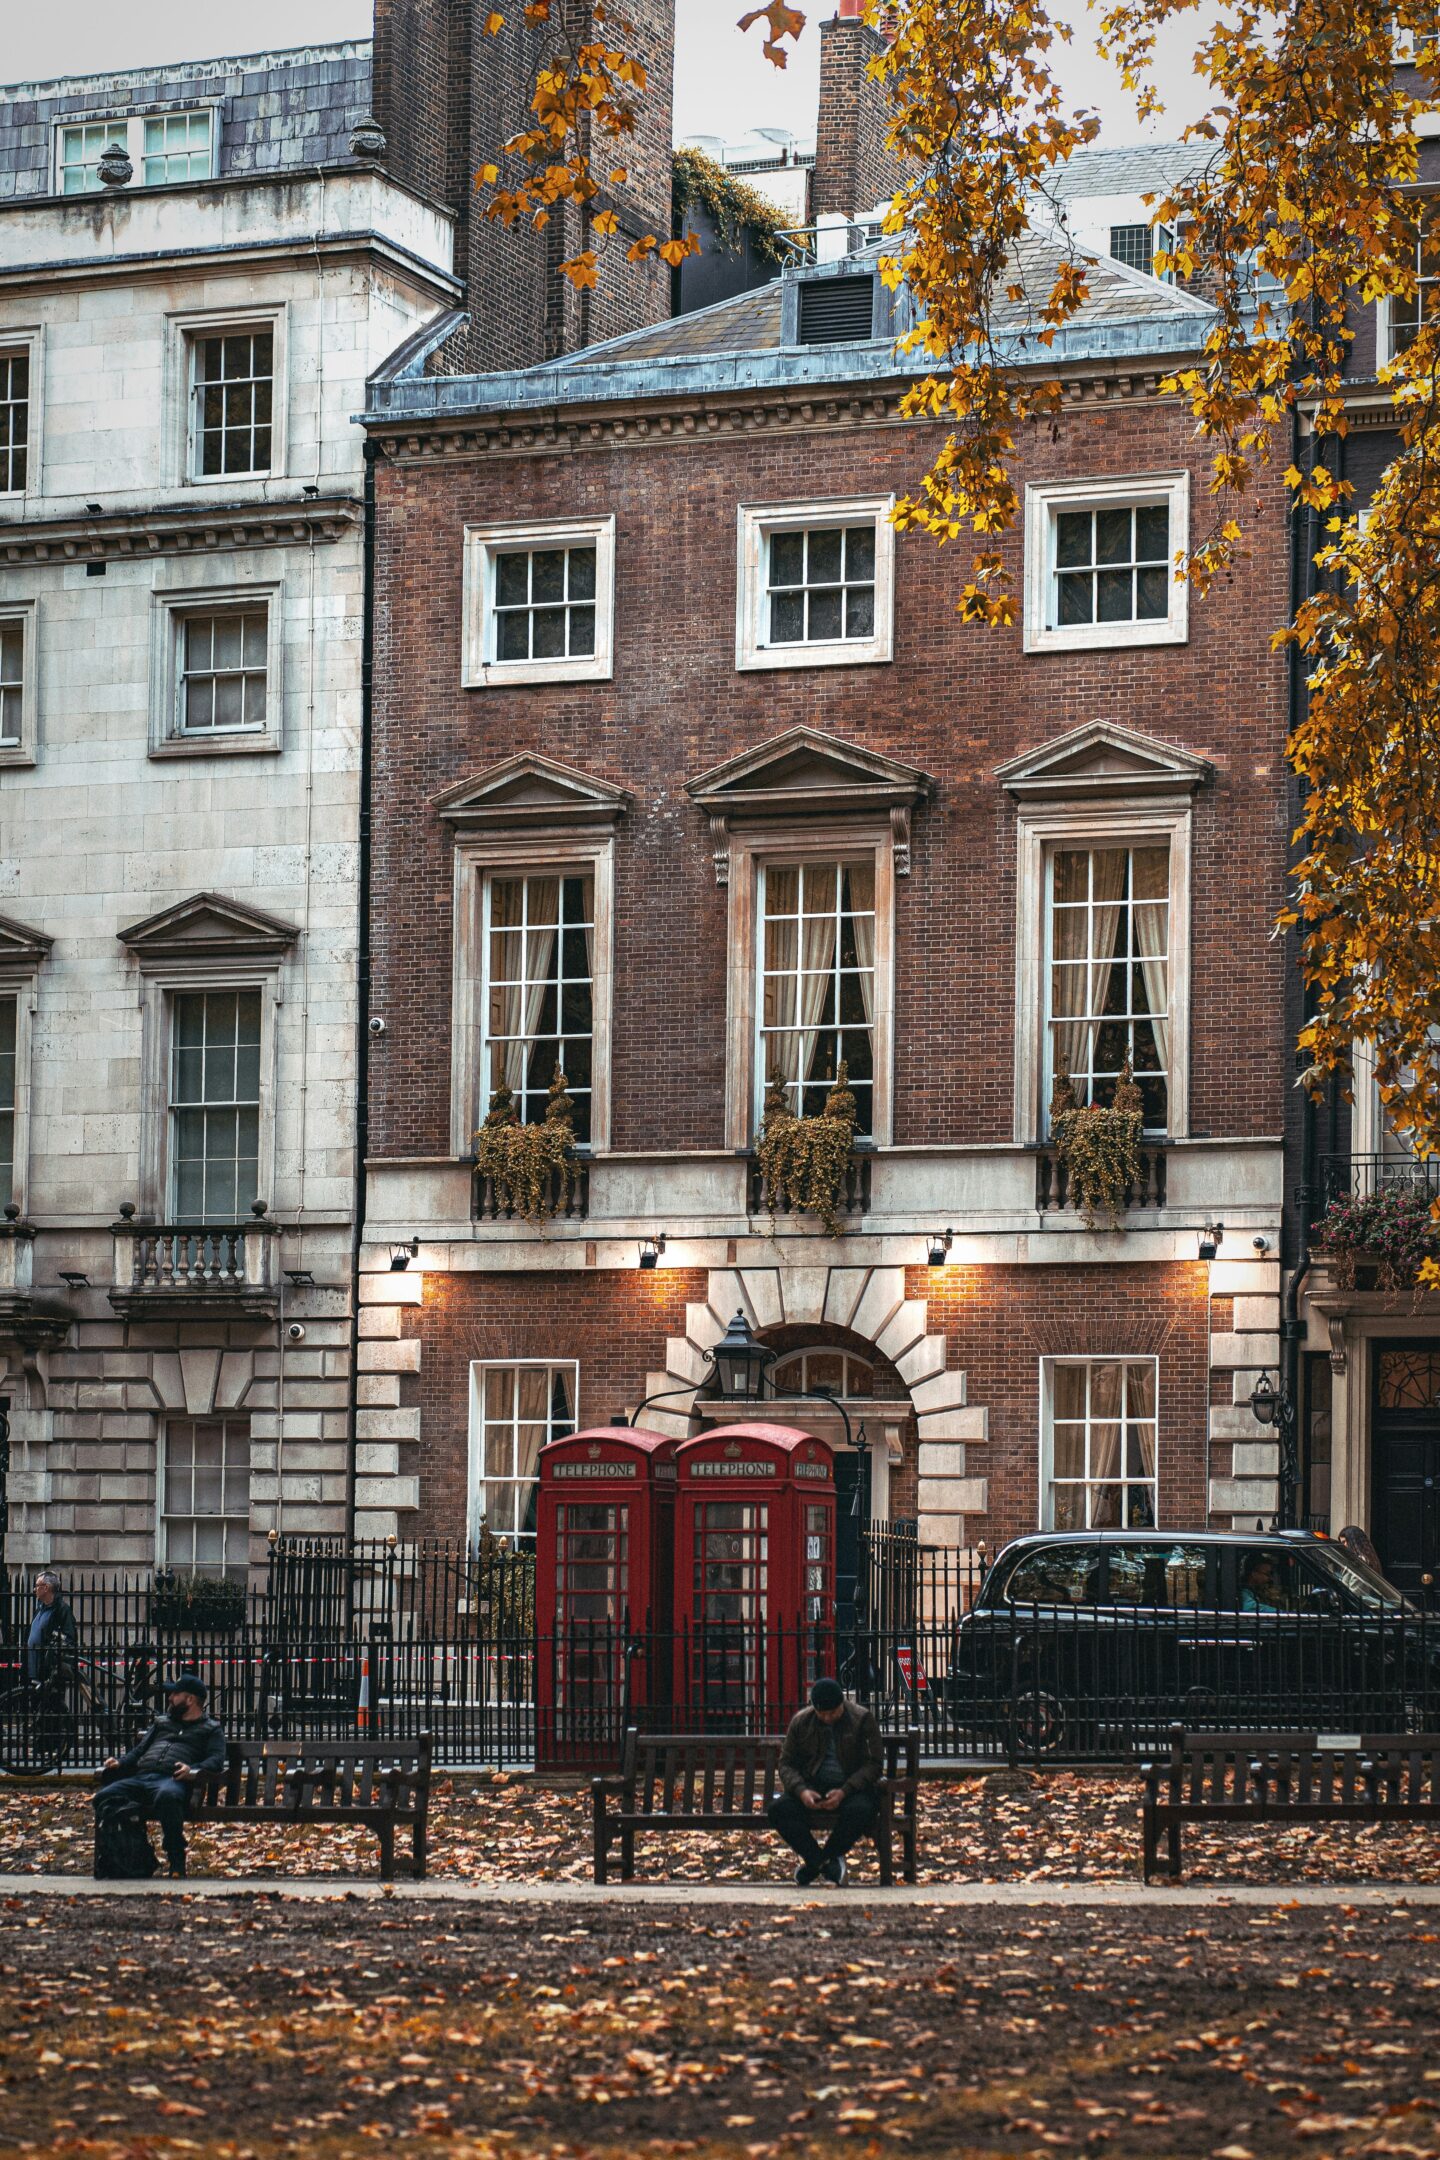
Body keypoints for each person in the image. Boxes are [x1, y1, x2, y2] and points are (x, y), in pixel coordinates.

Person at [94, 1674, 226, 1879]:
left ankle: (176, 1860)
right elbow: (139, 1751)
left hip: (172, 1780)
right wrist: (121, 1762)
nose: (170, 1698)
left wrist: (191, 1769)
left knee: (167, 1797)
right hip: (142, 1777)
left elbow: (217, 1760)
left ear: (190, 1699)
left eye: (175, 1694)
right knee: (103, 1797)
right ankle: (132, 1854)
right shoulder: (162, 1722)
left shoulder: (210, 1729)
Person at [768, 1677, 883, 1888]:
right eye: (823, 1713)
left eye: (833, 1712)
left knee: (861, 1809)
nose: (828, 1717)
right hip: (813, 1787)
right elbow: (786, 1764)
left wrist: (844, 1791)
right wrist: (802, 1790)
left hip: (852, 1789)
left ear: (842, 1704)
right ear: (814, 1708)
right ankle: (823, 1862)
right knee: (778, 1809)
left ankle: (816, 1864)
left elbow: (874, 1764)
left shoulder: (862, 1719)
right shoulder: (801, 1722)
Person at [27, 1571, 77, 1683]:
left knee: (52, 1700)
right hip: (33, 1668)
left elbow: (69, 1638)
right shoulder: (39, 1609)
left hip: (49, 1671)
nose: (35, 1589)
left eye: (37, 1586)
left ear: (46, 1588)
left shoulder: (62, 1610)